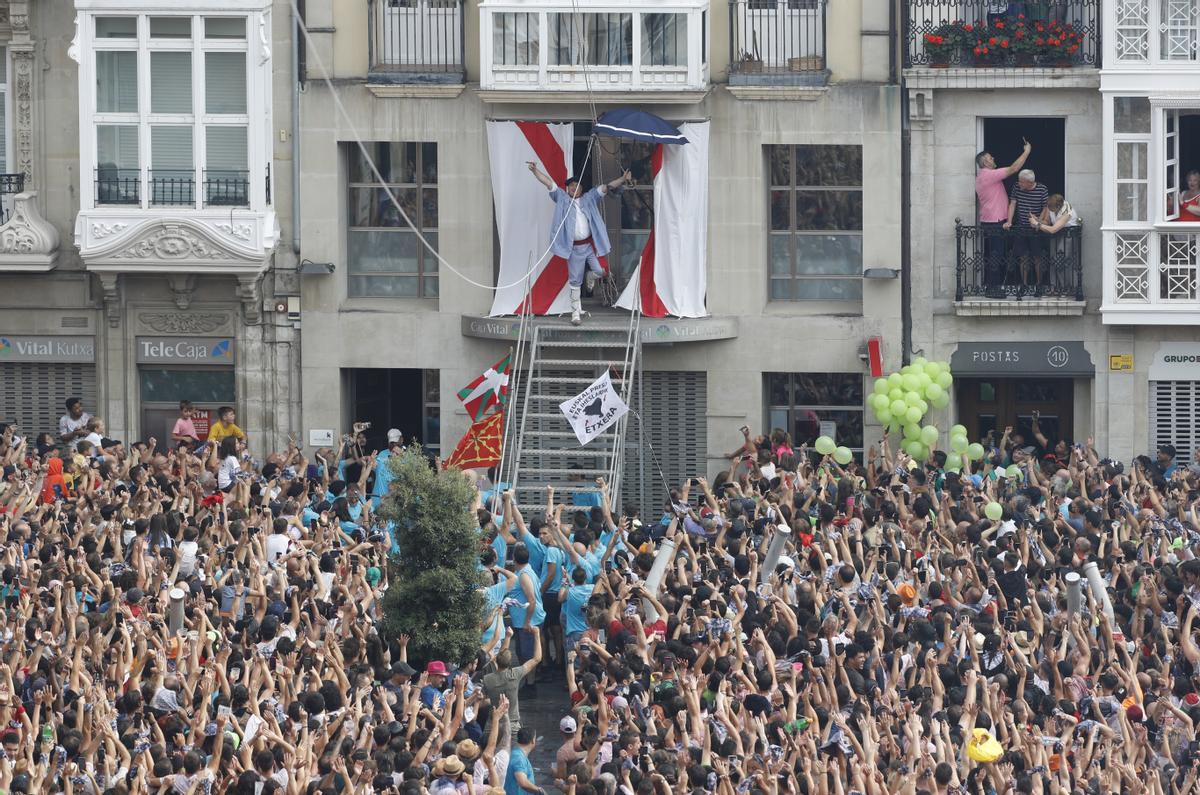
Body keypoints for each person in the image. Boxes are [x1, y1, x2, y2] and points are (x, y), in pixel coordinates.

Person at [526, 161, 632, 325]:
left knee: (600, 270)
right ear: (567, 188)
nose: (574, 188)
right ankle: (576, 313)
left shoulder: (589, 198)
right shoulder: (561, 198)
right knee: (575, 281)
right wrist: (535, 171)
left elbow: (606, 187)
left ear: (582, 189)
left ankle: (590, 275)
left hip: (590, 245)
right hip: (574, 249)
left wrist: (623, 179)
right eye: (571, 186)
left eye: (577, 186)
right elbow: (548, 183)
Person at [975, 139, 1031, 293]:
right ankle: (993, 289)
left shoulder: (983, 176)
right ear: (986, 162)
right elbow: (1014, 168)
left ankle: (993, 287)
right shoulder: (988, 175)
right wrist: (1027, 151)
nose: (994, 159)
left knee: (996, 255)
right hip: (995, 223)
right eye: (991, 158)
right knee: (996, 256)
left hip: (992, 222)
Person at [1007, 168, 1049, 295]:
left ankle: (1039, 285)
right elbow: (1012, 204)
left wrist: (1038, 222)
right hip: (1021, 227)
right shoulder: (1016, 187)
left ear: (1029, 182)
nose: (1019, 184)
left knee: (1037, 257)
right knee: (1023, 257)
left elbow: (1045, 207)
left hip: (1036, 229)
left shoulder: (1042, 189)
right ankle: (1024, 284)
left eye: (1021, 182)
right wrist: (1009, 221)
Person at [503, 728, 542, 795]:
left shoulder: (516, 753)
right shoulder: (519, 758)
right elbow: (522, 782)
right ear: (533, 740)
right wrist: (539, 790)